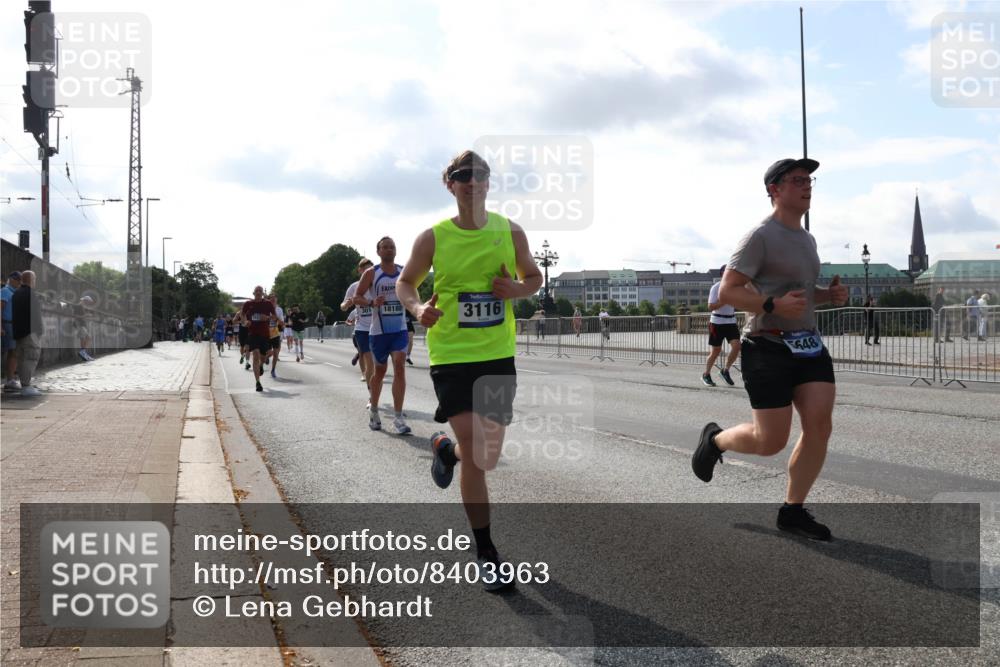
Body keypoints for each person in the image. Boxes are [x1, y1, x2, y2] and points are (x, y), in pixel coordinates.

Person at [397, 149, 543, 591]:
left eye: (480, 175)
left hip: (496, 355)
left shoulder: (509, 231)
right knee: (478, 451)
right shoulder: (433, 238)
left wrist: (516, 289)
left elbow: (534, 278)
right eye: (464, 175)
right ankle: (486, 552)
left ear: (488, 183)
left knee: (487, 455)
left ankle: (445, 451)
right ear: (451, 184)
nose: (473, 182)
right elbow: (406, 282)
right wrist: (417, 308)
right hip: (452, 356)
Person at [692, 157, 848, 542]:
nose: (807, 186)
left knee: (820, 426)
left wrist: (828, 295)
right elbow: (728, 291)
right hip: (767, 345)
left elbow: (802, 293)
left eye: (810, 180)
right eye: (797, 180)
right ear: (774, 190)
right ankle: (715, 440)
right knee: (770, 442)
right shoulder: (760, 237)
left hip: (808, 345)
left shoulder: (807, 239)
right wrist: (771, 305)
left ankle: (792, 511)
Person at [354, 238, 411, 435]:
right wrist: (372, 303)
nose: (389, 249)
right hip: (379, 332)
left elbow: (412, 292)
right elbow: (357, 297)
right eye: (385, 247)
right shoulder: (371, 273)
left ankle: (398, 417)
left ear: (396, 250)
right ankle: (374, 411)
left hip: (399, 330)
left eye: (392, 246)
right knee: (379, 372)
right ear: (378, 251)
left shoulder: (404, 271)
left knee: (400, 366)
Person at [703, 265, 740, 386]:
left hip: (731, 321)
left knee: (737, 346)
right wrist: (724, 301)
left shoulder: (734, 287)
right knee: (716, 351)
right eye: (727, 271)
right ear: (722, 273)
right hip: (717, 322)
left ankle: (725, 370)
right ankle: (706, 374)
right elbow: (710, 306)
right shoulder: (716, 287)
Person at [342, 258, 375, 389]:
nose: (368, 272)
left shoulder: (377, 285)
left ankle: (372, 383)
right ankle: (371, 391)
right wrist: (347, 304)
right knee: (367, 358)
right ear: (360, 271)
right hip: (362, 329)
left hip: (378, 328)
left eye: (371, 269)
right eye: (365, 270)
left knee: (377, 362)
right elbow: (342, 306)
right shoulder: (354, 287)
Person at [12, 270, 44, 397]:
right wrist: (40, 330)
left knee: (22, 358)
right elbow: (36, 315)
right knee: (30, 357)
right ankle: (26, 386)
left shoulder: (16, 293)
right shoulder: (31, 294)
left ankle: (25, 383)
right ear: (32, 280)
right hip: (30, 332)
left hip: (18, 331)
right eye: (35, 279)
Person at [240, 286, 276, 392]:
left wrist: (267, 317)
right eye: (257, 291)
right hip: (253, 334)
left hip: (265, 335)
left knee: (263, 358)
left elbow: (274, 317)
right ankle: (258, 383)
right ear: (254, 293)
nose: (259, 292)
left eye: (260, 291)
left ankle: (261, 365)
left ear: (263, 293)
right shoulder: (248, 304)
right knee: (255, 354)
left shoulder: (268, 304)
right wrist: (245, 322)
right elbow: (242, 314)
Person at [2, 271, 22, 391]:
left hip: (13, 325)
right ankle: (10, 379)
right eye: (18, 280)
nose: (20, 283)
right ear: (12, 279)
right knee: (11, 352)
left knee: (13, 352)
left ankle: (11, 379)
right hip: (7, 324)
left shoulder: (14, 292)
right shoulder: (5, 291)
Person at [267, 295, 284, 378]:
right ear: (269, 300)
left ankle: (273, 370)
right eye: (272, 299)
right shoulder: (265, 308)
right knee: (269, 353)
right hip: (266, 333)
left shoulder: (279, 309)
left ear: (276, 300)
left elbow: (282, 323)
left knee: (276, 353)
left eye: (274, 299)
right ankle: (265, 358)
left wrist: (276, 319)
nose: (273, 300)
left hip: (275, 333)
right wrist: (269, 317)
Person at [74, 296, 96, 361]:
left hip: (82, 324)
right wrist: (86, 315)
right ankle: (83, 352)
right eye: (88, 302)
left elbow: (81, 316)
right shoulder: (78, 306)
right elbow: (76, 316)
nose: (88, 304)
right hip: (80, 323)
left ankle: (83, 352)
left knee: (87, 338)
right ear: (85, 301)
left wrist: (87, 315)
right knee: (84, 338)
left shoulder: (82, 306)